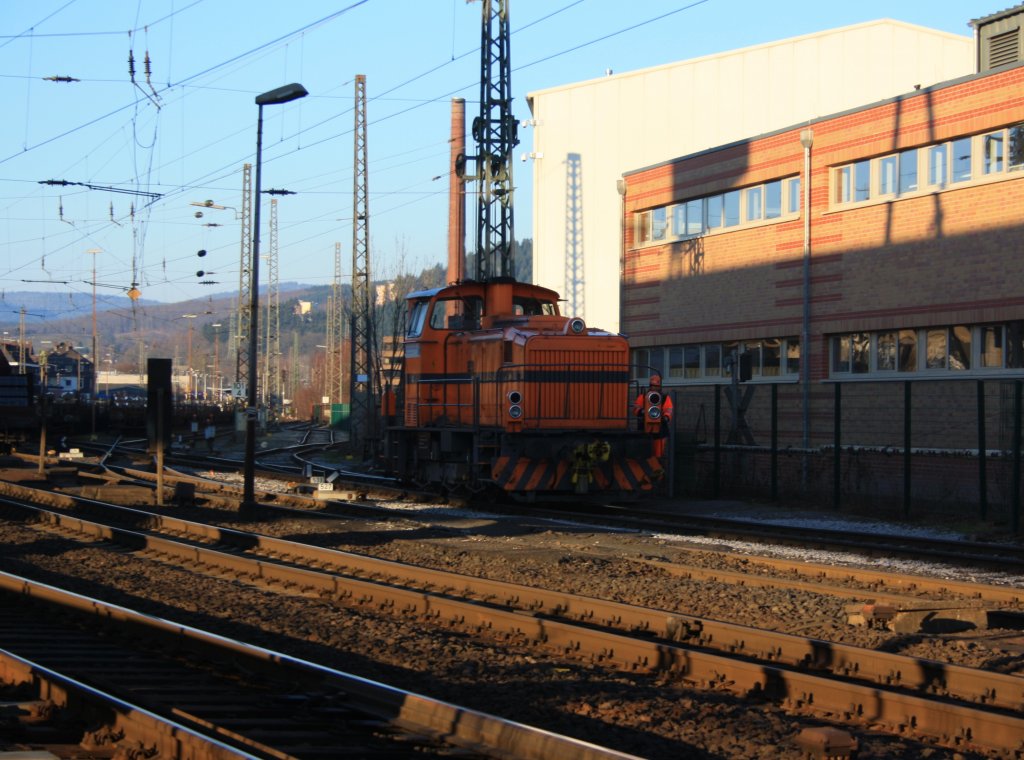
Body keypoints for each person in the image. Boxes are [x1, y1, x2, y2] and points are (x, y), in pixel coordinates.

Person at [634, 374, 674, 458]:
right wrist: (642, 411)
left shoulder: (665, 398)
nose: (654, 388)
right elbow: (636, 409)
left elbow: (668, 410)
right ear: (649, 386)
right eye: (652, 386)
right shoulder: (643, 397)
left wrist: (666, 417)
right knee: (644, 452)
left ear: (660, 386)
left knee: (658, 454)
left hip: (660, 429)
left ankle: (658, 466)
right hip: (644, 428)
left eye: (656, 386)